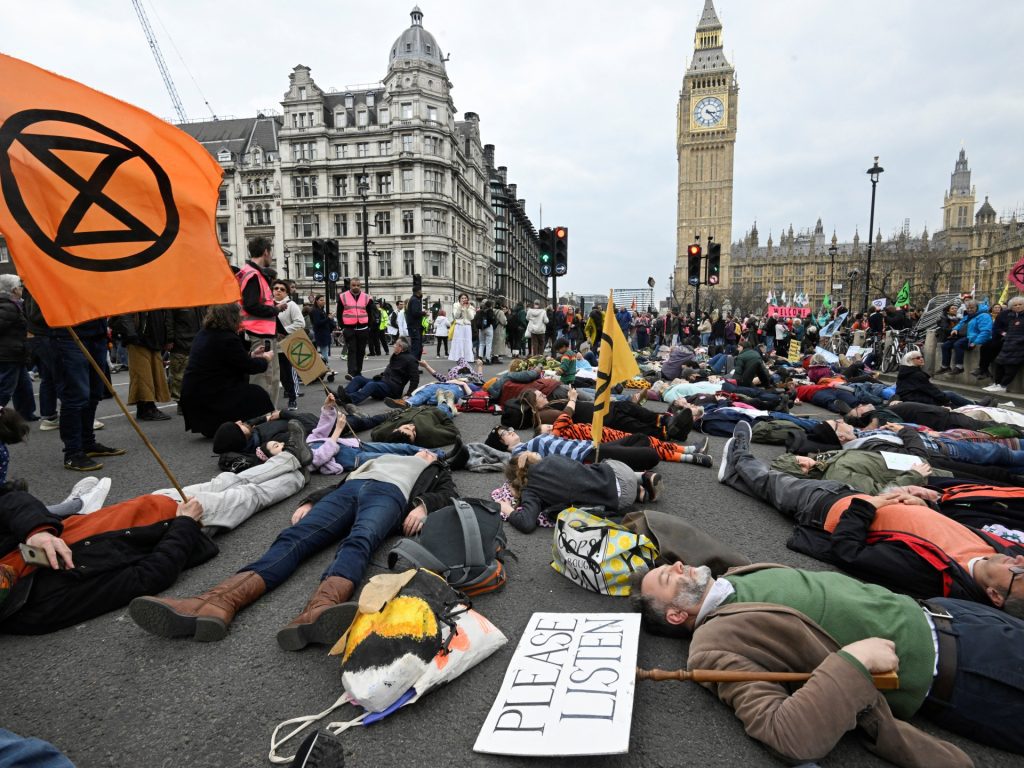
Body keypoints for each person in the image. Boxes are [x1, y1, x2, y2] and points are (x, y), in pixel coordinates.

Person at [633, 555, 1023, 762]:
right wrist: (853, 662)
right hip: (969, 672)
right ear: (676, 615)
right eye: (670, 578)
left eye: (672, 564)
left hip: (958, 615)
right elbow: (785, 734)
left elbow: (678, 533)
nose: (680, 565)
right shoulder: (714, 644)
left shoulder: (734, 576)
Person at [128, 450, 458, 651]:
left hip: (391, 495)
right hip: (351, 490)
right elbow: (341, 481)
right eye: (422, 451)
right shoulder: (381, 458)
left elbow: (448, 493)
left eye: (430, 453)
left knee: (361, 538)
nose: (425, 453)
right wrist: (311, 500)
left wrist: (423, 506)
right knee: (294, 537)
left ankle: (320, 610)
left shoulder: (435, 471)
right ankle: (216, 602)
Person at [720, 422, 1024, 610]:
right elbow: (937, 527)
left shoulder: (936, 577)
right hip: (858, 494)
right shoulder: (995, 550)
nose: (1019, 561)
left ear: (995, 596)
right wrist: (923, 501)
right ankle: (733, 477)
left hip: (832, 509)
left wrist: (874, 504)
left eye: (1019, 573)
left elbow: (848, 550)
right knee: (777, 488)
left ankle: (739, 455)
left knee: (774, 483)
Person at [0, 490, 217, 635]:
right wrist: (185, 523)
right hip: (189, 523)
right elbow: (148, 576)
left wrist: (36, 531)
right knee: (249, 490)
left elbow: (9, 499)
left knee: (228, 478)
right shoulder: (40, 609)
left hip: (156, 499)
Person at [24, 292, 124, 472]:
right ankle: (72, 452)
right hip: (64, 334)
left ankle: (87, 443)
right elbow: (37, 311)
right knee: (76, 394)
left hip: (95, 332)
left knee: (94, 393)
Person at [501, 452, 662, 533]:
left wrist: (507, 508)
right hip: (620, 470)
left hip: (620, 499)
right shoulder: (552, 458)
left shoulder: (531, 492)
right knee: (593, 470)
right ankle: (642, 477)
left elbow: (526, 523)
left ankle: (639, 493)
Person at [180, 304, 275, 438]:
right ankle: (268, 427)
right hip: (211, 394)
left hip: (195, 393)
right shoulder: (227, 338)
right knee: (256, 393)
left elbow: (228, 359)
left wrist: (251, 355)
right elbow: (249, 367)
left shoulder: (204, 333)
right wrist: (265, 359)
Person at [237, 237, 283, 408]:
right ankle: (266, 417)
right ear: (265, 252)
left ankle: (265, 415)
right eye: (271, 252)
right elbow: (251, 305)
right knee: (267, 379)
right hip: (260, 333)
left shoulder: (249, 273)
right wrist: (275, 310)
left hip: (258, 331)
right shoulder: (254, 275)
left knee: (268, 378)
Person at [110, 310, 174, 421]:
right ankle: (147, 408)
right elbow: (125, 314)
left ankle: (147, 407)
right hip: (139, 339)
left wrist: (167, 337)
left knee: (151, 375)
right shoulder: (136, 294)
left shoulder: (154, 295)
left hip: (152, 338)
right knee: (142, 376)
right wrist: (132, 335)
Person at [335, 337, 420, 405]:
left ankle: (351, 399)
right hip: (384, 382)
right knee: (358, 379)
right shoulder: (397, 355)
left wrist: (409, 394)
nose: (394, 346)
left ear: (400, 347)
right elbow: (392, 371)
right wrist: (381, 375)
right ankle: (341, 396)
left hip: (393, 390)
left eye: (395, 344)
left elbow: (415, 379)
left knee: (372, 385)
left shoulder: (411, 360)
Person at [895, 350, 975, 407]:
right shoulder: (916, 374)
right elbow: (930, 390)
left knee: (949, 394)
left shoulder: (905, 371)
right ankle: (975, 405)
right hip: (917, 400)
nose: (921, 359)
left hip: (911, 398)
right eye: (918, 358)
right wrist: (945, 400)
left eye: (921, 357)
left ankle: (973, 403)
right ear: (910, 361)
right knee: (950, 395)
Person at [272, 280, 305, 410]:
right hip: (270, 346)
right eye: (276, 288)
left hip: (285, 346)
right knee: (274, 377)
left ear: (286, 292)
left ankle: (292, 398)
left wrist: (284, 331)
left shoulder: (291, 305)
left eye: (282, 289)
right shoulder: (267, 306)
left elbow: (300, 323)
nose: (278, 291)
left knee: (286, 375)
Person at [937, 300, 992, 376]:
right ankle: (945, 366)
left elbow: (986, 331)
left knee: (958, 344)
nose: (969, 310)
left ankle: (959, 367)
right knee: (945, 345)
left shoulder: (984, 316)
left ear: (977, 307)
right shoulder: (968, 316)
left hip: (972, 337)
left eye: (972, 308)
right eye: (968, 308)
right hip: (962, 336)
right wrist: (955, 329)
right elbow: (960, 324)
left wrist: (976, 342)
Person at [167, 306, 205, 414]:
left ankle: (194, 401)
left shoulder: (198, 300)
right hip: (181, 342)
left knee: (196, 374)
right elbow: (169, 321)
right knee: (179, 376)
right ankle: (181, 403)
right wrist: (169, 339)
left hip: (197, 341)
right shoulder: (176, 300)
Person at [985, 295, 1024, 393]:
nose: (1018, 306)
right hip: (1008, 344)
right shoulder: (1010, 316)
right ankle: (997, 383)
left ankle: (1003, 386)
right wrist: (1006, 337)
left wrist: (1019, 340)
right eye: (1015, 305)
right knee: (999, 364)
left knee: (1011, 367)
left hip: (1019, 346)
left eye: (1020, 304)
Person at [337, 278, 374, 377]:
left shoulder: (367, 297)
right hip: (349, 328)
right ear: (350, 285)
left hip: (363, 328)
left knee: (361, 351)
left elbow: (371, 313)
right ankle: (351, 372)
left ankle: (358, 372)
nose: (356, 287)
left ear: (360, 286)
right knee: (352, 350)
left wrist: (368, 327)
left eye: (358, 285)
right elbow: (339, 313)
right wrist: (342, 327)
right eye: (353, 285)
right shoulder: (343, 296)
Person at [449, 294, 475, 362]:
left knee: (467, 343)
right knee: (459, 342)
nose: (464, 299)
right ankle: (459, 358)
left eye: (465, 298)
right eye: (462, 298)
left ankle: (466, 359)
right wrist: (460, 307)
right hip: (459, 327)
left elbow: (471, 317)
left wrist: (468, 308)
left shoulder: (471, 307)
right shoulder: (456, 305)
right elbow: (456, 316)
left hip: (467, 327)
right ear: (459, 299)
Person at [406, 286, 425, 360]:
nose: (421, 292)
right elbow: (415, 313)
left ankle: (415, 365)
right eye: (421, 291)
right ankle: (413, 366)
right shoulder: (415, 300)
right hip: (414, 326)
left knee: (418, 346)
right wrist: (423, 313)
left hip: (414, 326)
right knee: (416, 347)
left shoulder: (414, 299)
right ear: (418, 291)